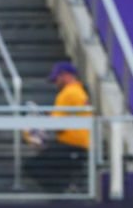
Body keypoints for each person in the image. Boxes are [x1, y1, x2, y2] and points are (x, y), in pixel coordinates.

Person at [27, 62, 90, 192]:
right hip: (79, 144)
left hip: (72, 144)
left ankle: (62, 193)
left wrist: (38, 129)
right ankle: (66, 188)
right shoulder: (79, 91)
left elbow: (57, 124)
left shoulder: (67, 93)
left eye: (57, 79)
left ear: (66, 75)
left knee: (32, 166)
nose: (56, 83)